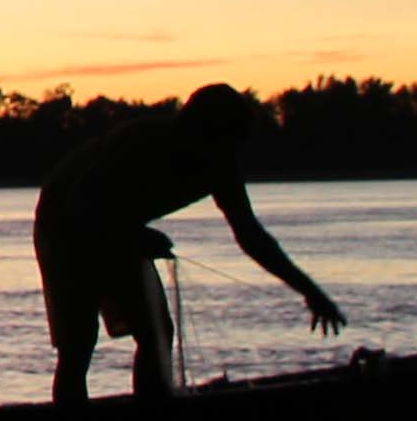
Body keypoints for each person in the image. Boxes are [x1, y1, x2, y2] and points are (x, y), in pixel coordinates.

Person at [34, 84, 340, 403]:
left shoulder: (220, 164)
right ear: (198, 128)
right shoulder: (140, 142)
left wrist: (310, 291)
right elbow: (82, 204)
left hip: (118, 226)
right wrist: (136, 236)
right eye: (226, 138)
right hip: (63, 222)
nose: (230, 151)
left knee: (156, 332)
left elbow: (251, 236)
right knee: (79, 342)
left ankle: (154, 418)